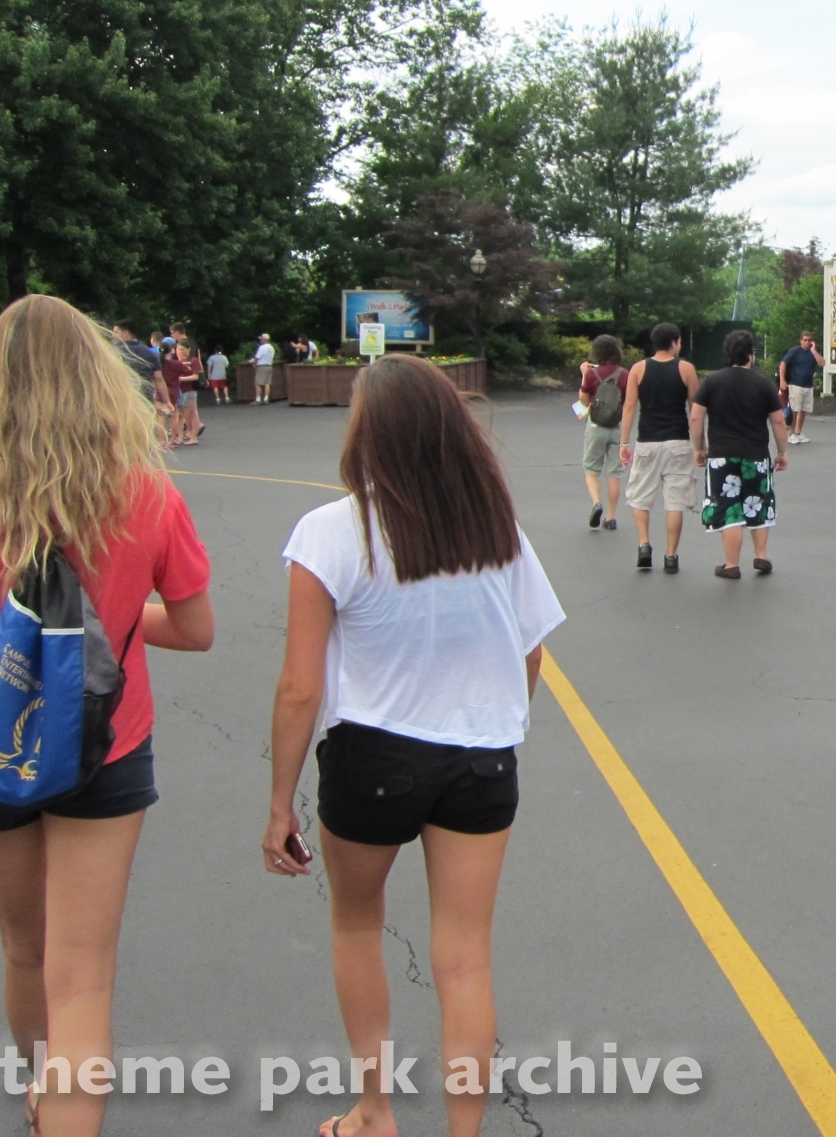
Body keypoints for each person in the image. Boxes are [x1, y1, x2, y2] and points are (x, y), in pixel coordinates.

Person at [0, 295, 214, 1137]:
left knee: (25, 948)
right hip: (104, 748)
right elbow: (194, 630)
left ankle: (40, 1091)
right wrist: (101, 630)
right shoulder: (147, 498)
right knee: (83, 976)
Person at [263, 354, 563, 1137]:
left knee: (358, 925)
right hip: (481, 761)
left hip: (374, 756)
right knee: (465, 958)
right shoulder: (495, 530)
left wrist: (279, 803)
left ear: (367, 434)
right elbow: (531, 649)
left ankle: (375, 1111)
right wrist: (497, 727)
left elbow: (299, 687)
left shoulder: (331, 531)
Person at [691, 328, 788, 579]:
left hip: (721, 455)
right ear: (750, 355)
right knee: (759, 502)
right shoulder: (763, 383)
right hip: (756, 455)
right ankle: (761, 556)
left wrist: (699, 448)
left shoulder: (711, 382)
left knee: (729, 507)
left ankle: (732, 564)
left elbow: (696, 417)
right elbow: (778, 421)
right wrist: (782, 452)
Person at [620, 322, 698, 574]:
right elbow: (695, 410)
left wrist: (624, 443)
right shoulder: (686, 369)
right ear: (674, 342)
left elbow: (629, 407)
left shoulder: (638, 369)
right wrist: (700, 445)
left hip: (647, 440)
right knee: (675, 501)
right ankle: (671, 555)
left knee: (640, 496)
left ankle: (644, 544)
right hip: (678, 440)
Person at [576, 335, 626, 532]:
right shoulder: (624, 374)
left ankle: (596, 503)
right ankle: (611, 517)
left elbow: (583, 401)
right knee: (614, 473)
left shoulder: (591, 374)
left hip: (596, 426)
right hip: (616, 426)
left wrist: (584, 374)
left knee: (591, 469)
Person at [111, 322, 169, 416]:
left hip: (122, 399)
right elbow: (159, 379)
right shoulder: (150, 353)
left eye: (116, 332)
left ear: (126, 333)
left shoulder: (114, 352)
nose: (113, 335)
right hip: (145, 400)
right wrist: (167, 401)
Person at [777, 331, 822, 444]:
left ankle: (798, 432)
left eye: (809, 340)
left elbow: (822, 363)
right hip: (795, 384)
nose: (807, 342)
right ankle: (792, 434)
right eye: (805, 340)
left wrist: (814, 350)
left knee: (803, 410)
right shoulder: (795, 351)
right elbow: (783, 364)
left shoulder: (813, 353)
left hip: (808, 385)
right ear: (801, 340)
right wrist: (782, 380)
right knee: (795, 410)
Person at [252, 334, 276, 404]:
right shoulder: (271, 348)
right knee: (267, 383)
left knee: (258, 383)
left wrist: (255, 364)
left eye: (261, 339)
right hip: (269, 365)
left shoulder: (262, 347)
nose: (260, 340)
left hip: (262, 366)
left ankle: (258, 399)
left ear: (264, 339)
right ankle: (266, 398)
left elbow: (257, 357)